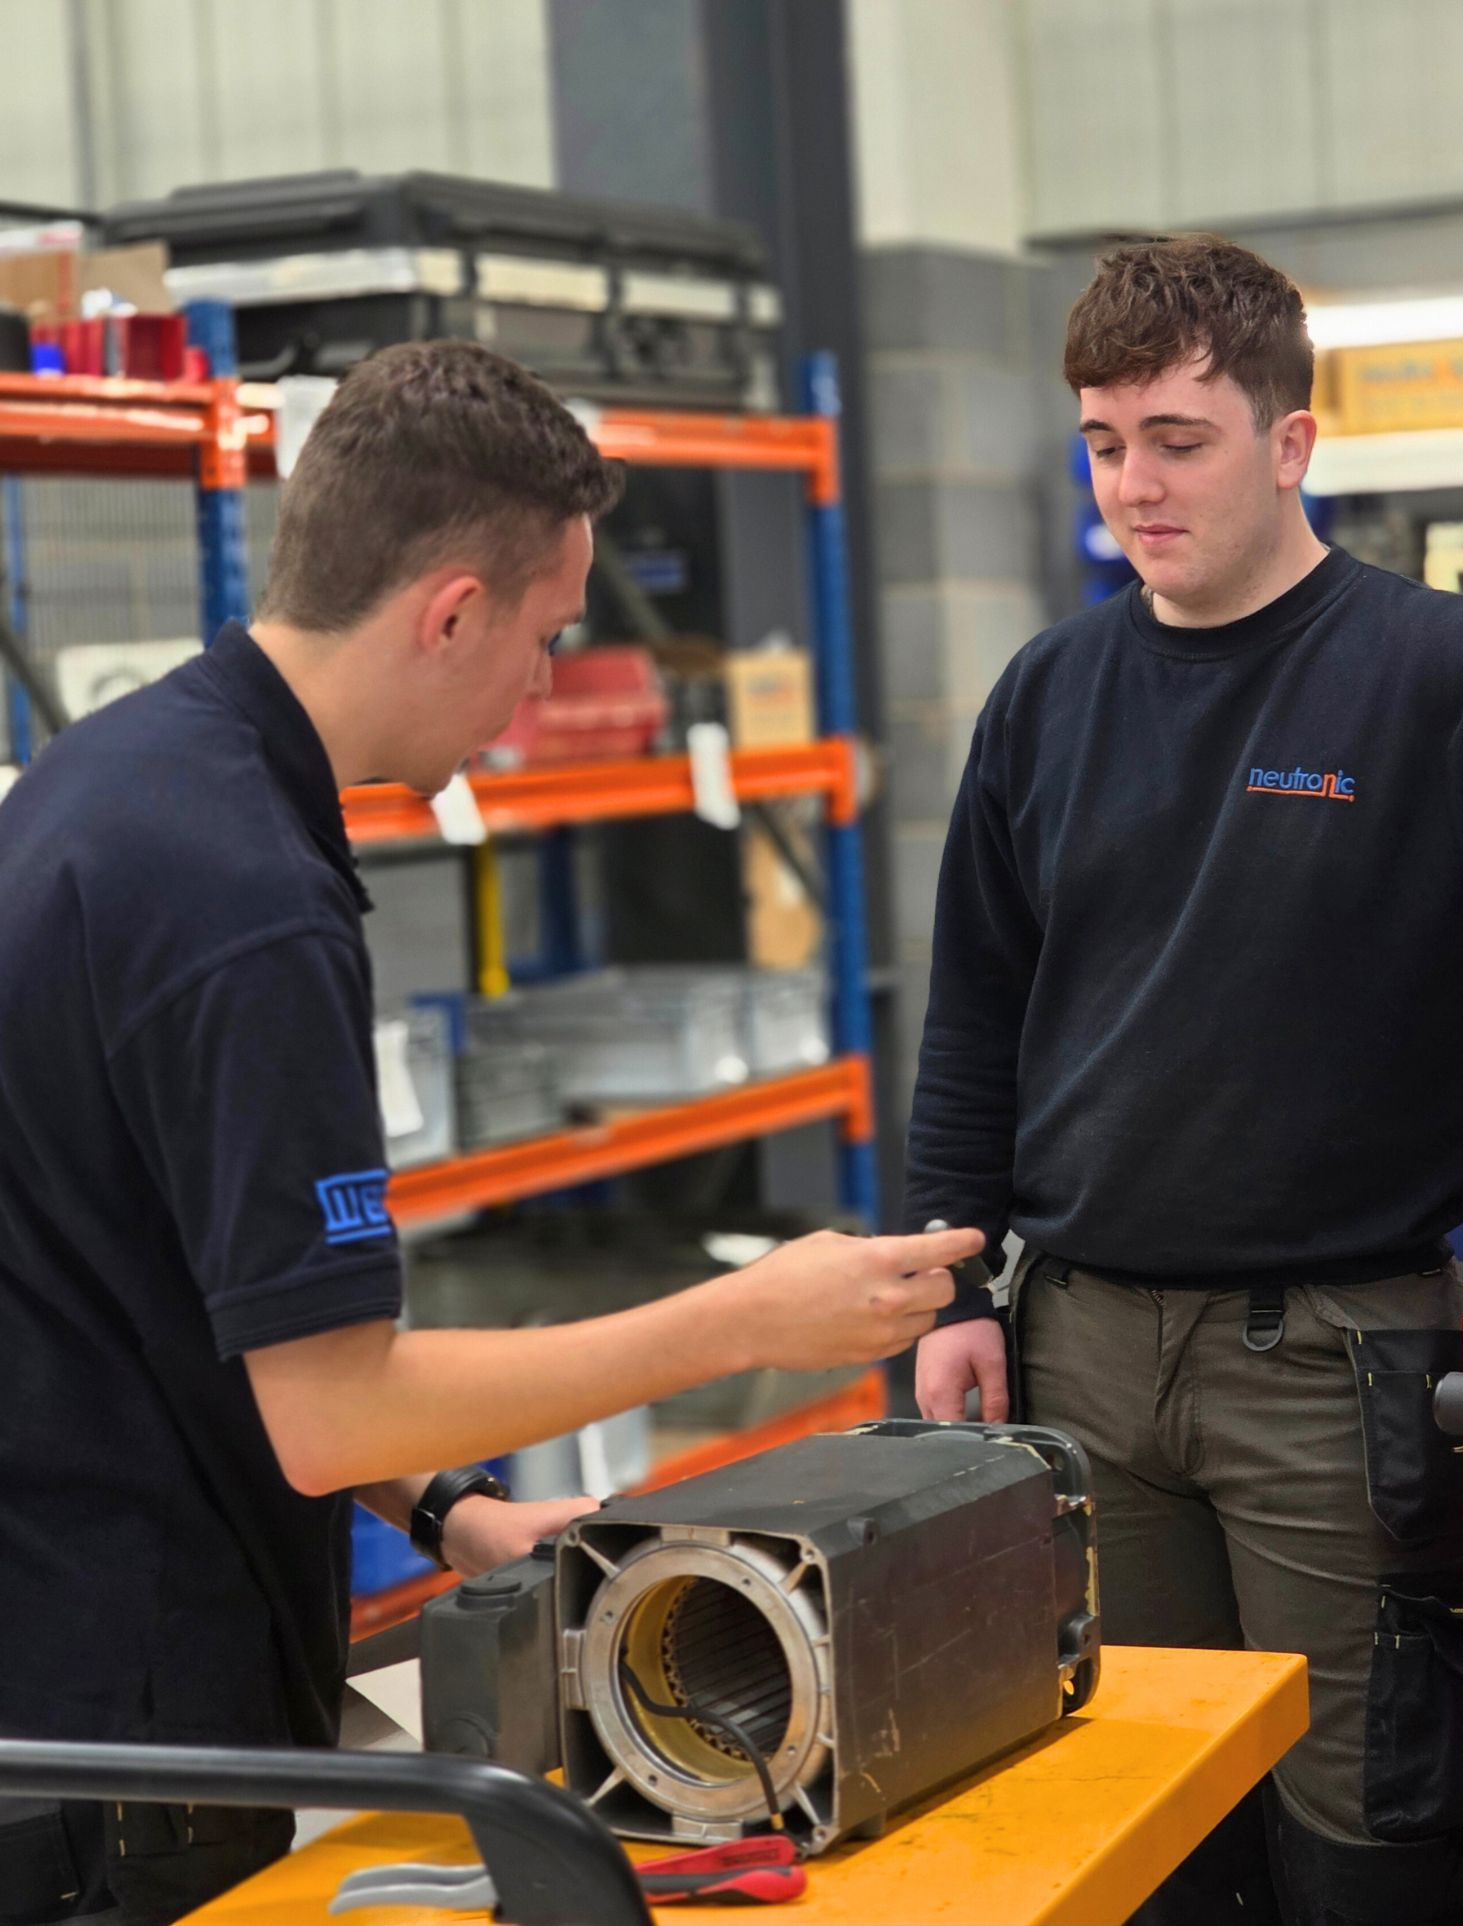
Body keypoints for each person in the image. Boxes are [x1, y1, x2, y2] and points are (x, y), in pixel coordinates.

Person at [0, 339, 982, 1926]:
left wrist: (442, 1504)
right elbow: (326, 1409)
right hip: (116, 1748)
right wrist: (745, 1318)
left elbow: (179, 1273)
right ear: (449, 609)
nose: (539, 692)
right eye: (540, 639)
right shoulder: (243, 903)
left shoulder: (119, 777)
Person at [904, 234, 1463, 1926]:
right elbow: (977, 1012)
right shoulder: (1047, 696)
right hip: (1080, 1349)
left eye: (1179, 439)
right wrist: (949, 1281)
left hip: (1331, 1360)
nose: (1136, 482)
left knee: (1365, 1831)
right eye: (1105, 441)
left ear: (1290, 442)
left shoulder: (1453, 670)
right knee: (1139, 1825)